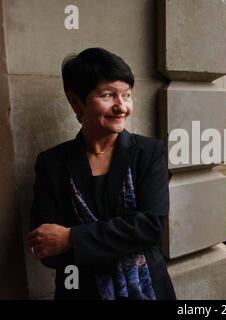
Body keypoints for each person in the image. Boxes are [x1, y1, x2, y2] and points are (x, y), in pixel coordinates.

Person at [27, 48, 176, 300]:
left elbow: (150, 227)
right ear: (76, 101)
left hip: (148, 288)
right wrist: (120, 238)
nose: (122, 107)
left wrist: (72, 237)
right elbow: (46, 246)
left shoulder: (149, 152)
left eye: (127, 95)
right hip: (79, 290)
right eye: (108, 95)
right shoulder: (52, 163)